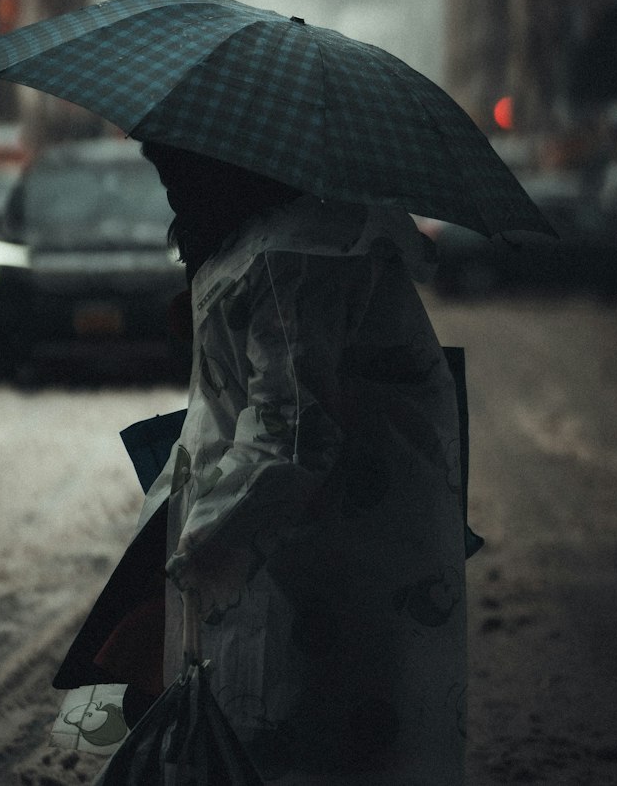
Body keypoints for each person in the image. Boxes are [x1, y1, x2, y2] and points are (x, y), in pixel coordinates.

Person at [130, 138, 469, 786]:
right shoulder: (274, 240)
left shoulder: (291, 255)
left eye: (173, 161)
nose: (167, 180)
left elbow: (295, 439)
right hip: (299, 551)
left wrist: (201, 542)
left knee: (290, 742)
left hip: (296, 559)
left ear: (217, 158)